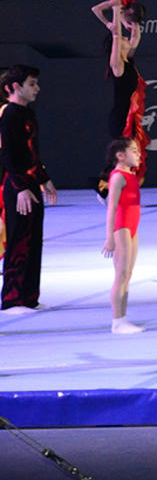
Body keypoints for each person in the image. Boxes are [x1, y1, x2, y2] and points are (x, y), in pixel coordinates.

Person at [1, 65, 57, 314]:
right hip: (17, 186)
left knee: (34, 239)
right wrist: (20, 187)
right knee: (19, 240)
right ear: (15, 87)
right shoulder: (10, 115)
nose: (37, 89)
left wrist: (44, 179)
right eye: (32, 84)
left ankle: (29, 296)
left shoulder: (28, 114)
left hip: (31, 182)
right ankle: (12, 298)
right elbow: (8, 154)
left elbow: (32, 153)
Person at [99, 1, 149, 184]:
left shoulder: (128, 62)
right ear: (117, 48)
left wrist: (133, 17)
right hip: (121, 118)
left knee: (130, 154)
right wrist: (115, 10)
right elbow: (117, 36)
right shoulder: (117, 66)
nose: (128, 40)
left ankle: (123, 185)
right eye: (124, 41)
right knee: (120, 156)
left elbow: (136, 35)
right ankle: (104, 188)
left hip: (130, 117)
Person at [101, 138, 145, 334]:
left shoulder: (130, 175)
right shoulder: (118, 176)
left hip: (132, 226)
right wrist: (110, 237)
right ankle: (117, 321)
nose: (138, 154)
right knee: (121, 274)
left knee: (127, 274)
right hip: (122, 228)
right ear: (120, 155)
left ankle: (123, 318)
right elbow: (111, 208)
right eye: (134, 151)